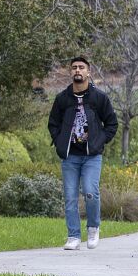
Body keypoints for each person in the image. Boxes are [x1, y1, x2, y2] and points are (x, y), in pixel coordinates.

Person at [48, 56, 118, 250]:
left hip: (91, 156)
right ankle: (73, 236)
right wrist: (60, 141)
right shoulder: (63, 98)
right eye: (74, 68)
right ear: (70, 72)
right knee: (70, 196)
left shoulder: (99, 97)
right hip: (70, 156)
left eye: (81, 67)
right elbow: (53, 123)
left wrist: (100, 140)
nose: (77, 70)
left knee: (90, 192)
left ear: (88, 72)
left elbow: (112, 123)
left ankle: (93, 228)